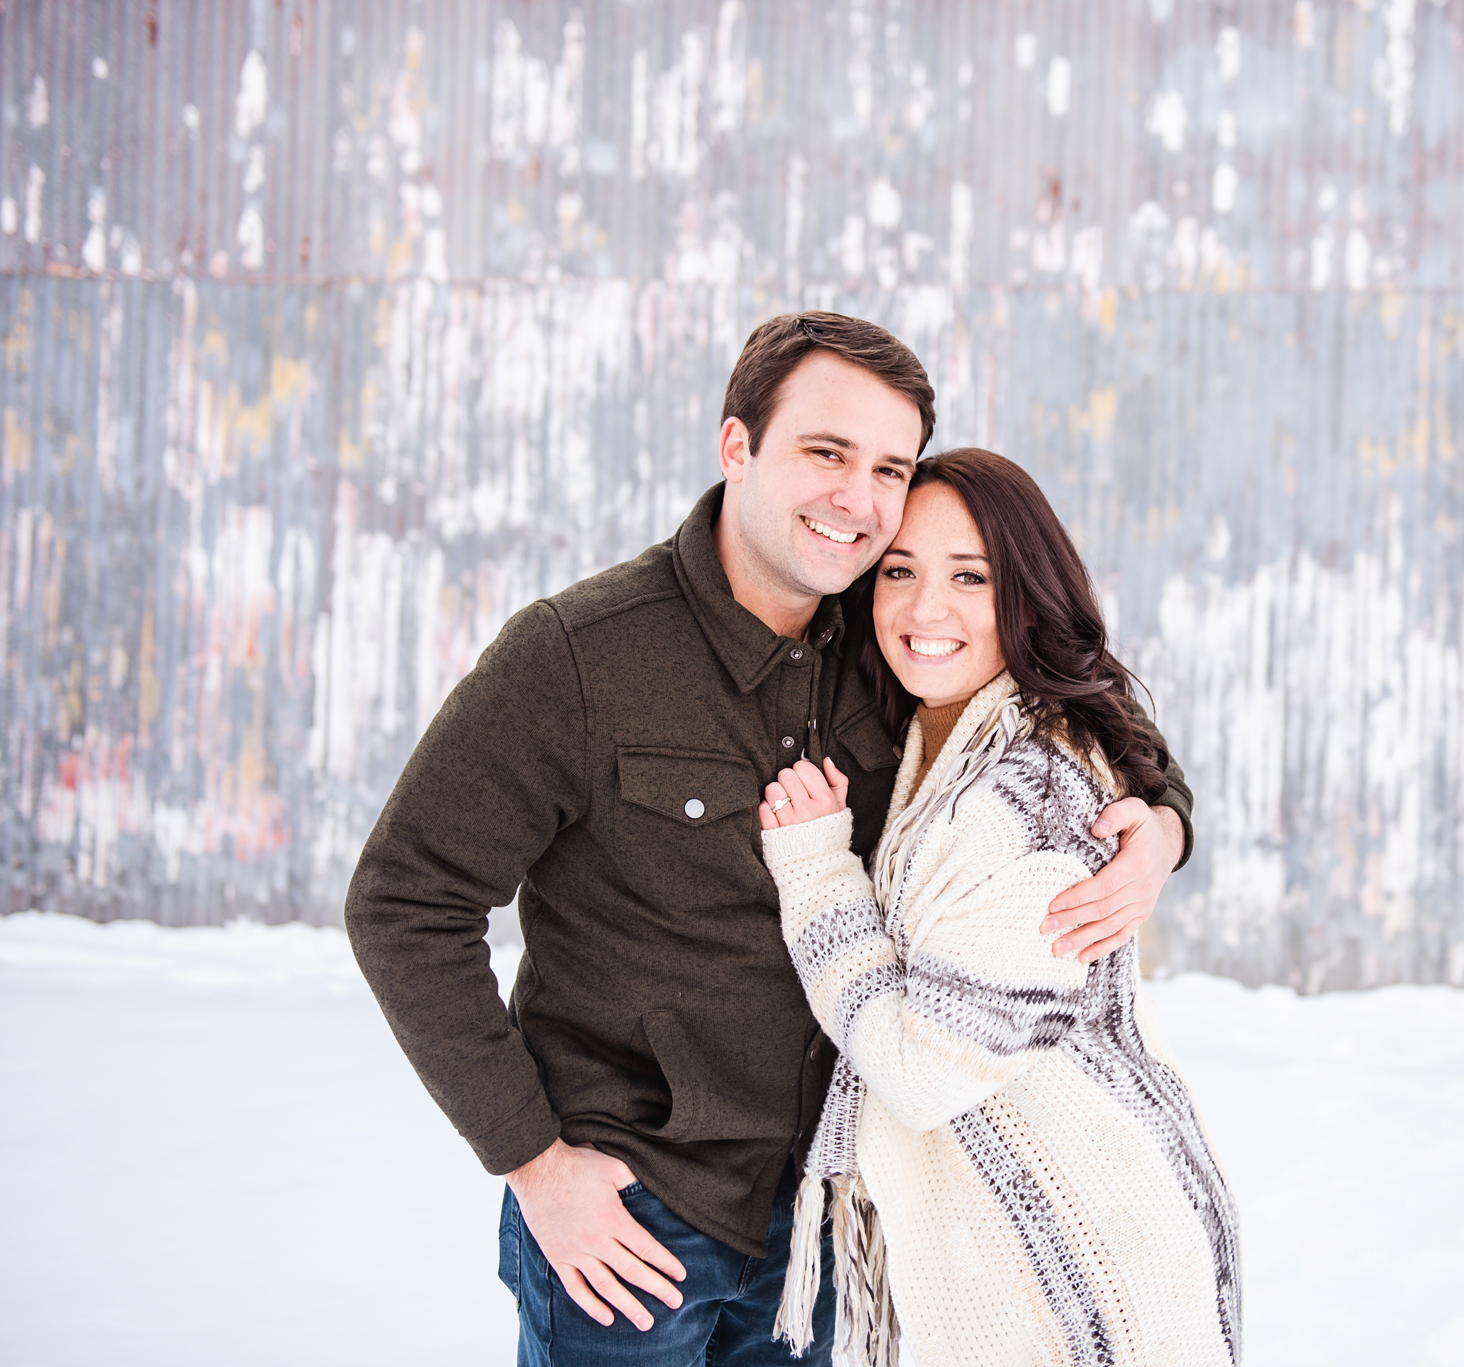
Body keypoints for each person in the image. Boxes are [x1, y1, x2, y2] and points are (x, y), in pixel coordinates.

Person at [344, 313, 1197, 1366]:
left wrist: (1159, 826)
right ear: (736, 446)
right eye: (824, 452)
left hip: (825, 1219)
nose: (859, 498)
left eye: (888, 466)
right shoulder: (575, 656)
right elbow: (402, 900)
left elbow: (1069, 709)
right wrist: (532, 1161)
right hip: (633, 1216)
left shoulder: (893, 634)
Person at [757, 448, 1241, 1367]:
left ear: (1027, 596)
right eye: (899, 571)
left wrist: (817, 872)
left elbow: (920, 1069)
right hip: (1021, 1236)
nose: (923, 610)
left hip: (1088, 1263)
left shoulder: (1033, 798)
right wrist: (1170, 824)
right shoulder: (943, 726)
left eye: (969, 577)